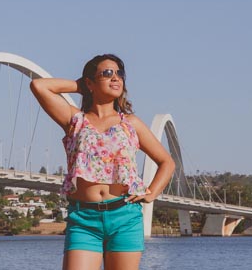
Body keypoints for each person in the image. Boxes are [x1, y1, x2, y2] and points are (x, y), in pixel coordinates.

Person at [31, 54, 176, 270]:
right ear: (89, 83)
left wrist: (152, 192)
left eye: (120, 74)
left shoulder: (131, 124)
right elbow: (39, 85)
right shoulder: (75, 120)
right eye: (107, 73)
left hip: (125, 217)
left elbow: (167, 162)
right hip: (83, 219)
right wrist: (80, 85)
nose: (116, 78)